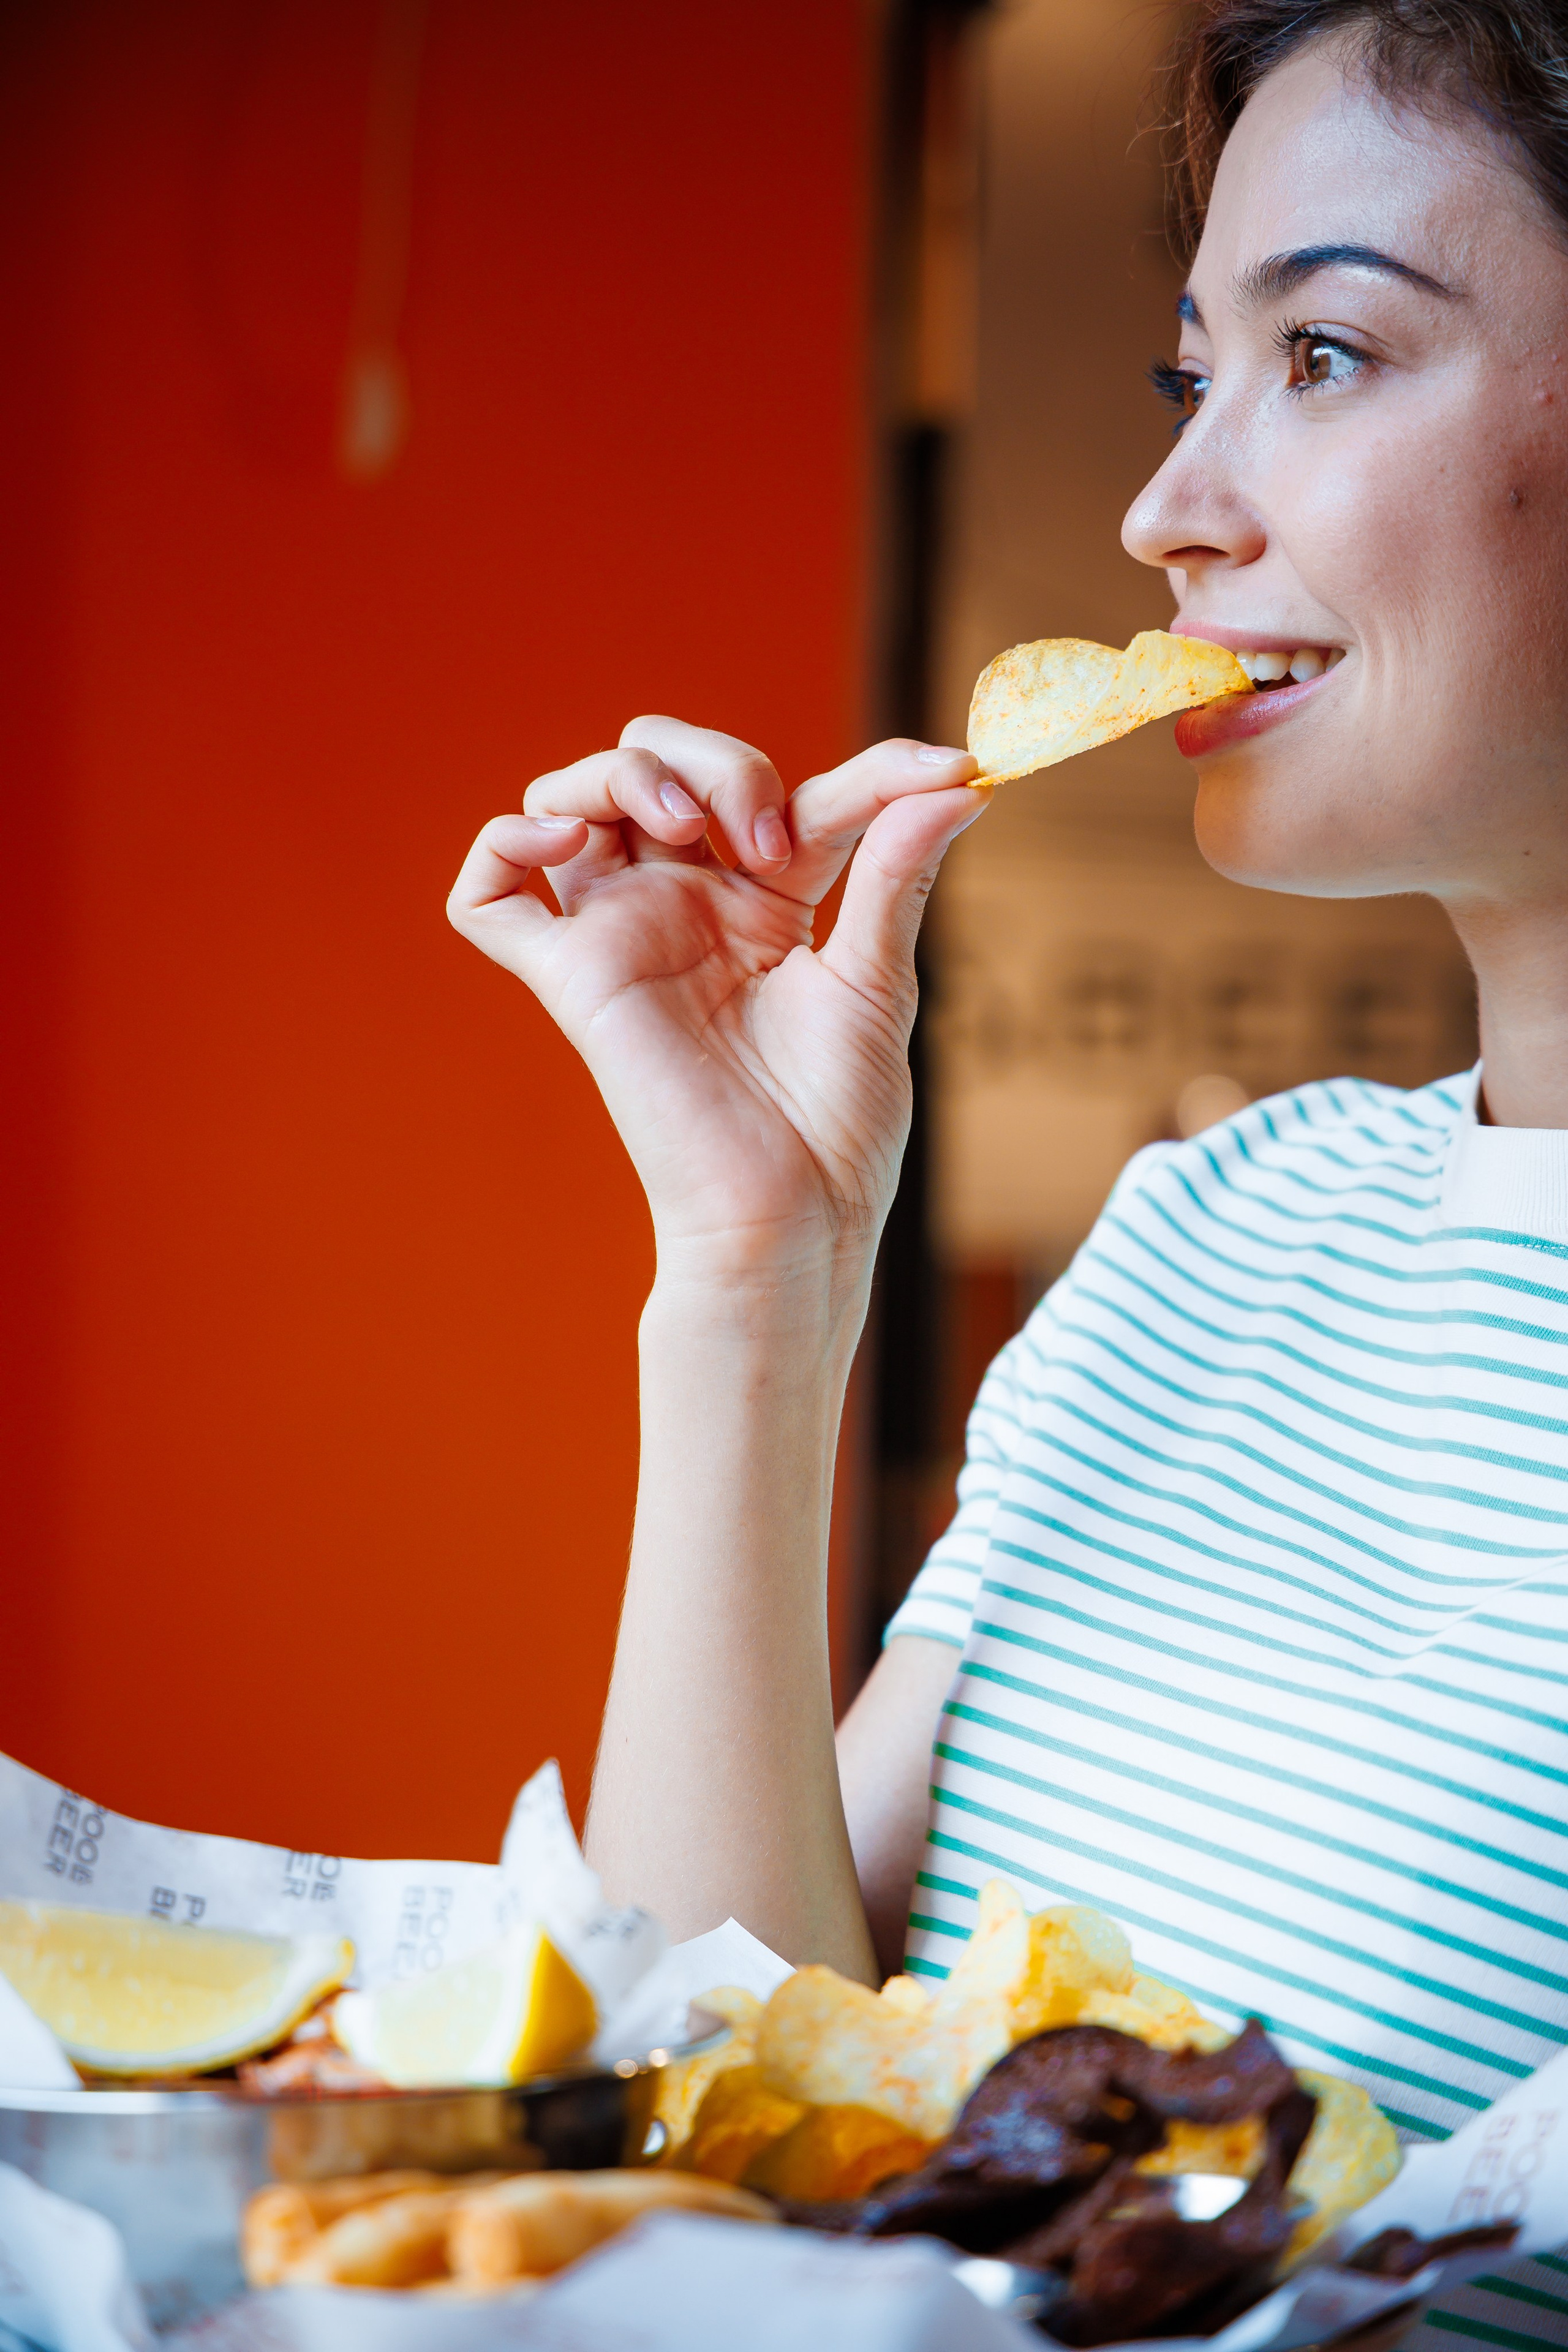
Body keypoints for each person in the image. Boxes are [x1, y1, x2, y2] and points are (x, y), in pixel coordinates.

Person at [449, 0, 1568, 2145]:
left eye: (1319, 356)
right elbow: (730, 2113)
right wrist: (755, 1278)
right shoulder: (1220, 1233)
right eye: (1189, 374)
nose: (1165, 506)